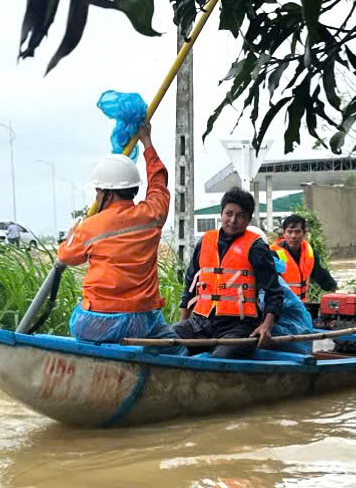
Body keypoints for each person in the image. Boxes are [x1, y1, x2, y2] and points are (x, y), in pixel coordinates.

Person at [56, 122, 182, 349]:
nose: (96, 196)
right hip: (140, 320)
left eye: (97, 190)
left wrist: (71, 236)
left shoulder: (89, 227)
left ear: (106, 193)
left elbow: (66, 257)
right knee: (175, 348)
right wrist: (147, 143)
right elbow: (158, 183)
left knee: (80, 322)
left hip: (95, 322)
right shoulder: (152, 214)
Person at [176, 188, 284, 358]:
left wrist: (266, 326)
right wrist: (183, 323)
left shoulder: (256, 247)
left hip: (239, 327)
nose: (233, 220)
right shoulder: (205, 241)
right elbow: (190, 285)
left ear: (248, 220)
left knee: (220, 358)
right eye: (229, 213)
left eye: (240, 216)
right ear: (221, 214)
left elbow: (274, 292)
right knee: (167, 340)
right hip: (200, 323)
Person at [269, 214, 337, 301]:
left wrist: (335, 288)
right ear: (284, 234)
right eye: (290, 232)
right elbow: (269, 284)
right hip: (281, 305)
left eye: (297, 232)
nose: (293, 236)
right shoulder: (273, 253)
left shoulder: (309, 253)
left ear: (303, 233)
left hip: (301, 305)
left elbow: (320, 274)